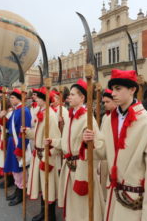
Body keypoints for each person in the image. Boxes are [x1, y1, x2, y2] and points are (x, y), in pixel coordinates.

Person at [84, 70, 147, 221]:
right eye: (113, 89)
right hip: (114, 196)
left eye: (118, 89)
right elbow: (105, 151)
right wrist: (90, 143)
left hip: (136, 200)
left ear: (132, 90)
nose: (113, 93)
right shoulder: (111, 119)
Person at [49, 79, 105, 221]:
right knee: (73, 208)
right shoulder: (71, 116)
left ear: (82, 98)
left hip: (81, 170)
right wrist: (53, 142)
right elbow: (66, 142)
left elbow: (99, 149)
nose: (69, 97)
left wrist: (90, 143)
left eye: (73, 94)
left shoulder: (87, 119)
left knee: (83, 209)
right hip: (69, 168)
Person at [23, 87, 61, 220]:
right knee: (43, 186)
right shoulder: (41, 112)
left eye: (38, 97)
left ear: (44, 100)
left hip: (46, 156)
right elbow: (38, 135)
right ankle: (43, 212)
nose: (35, 99)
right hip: (39, 155)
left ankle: (50, 215)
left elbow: (56, 140)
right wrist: (27, 131)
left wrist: (48, 157)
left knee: (48, 187)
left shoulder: (50, 115)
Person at [0, 88, 32, 206]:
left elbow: (25, 133)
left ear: (18, 99)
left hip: (19, 142)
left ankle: (21, 193)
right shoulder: (15, 110)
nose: (10, 99)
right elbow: (9, 126)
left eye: (12, 97)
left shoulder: (24, 111)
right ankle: (18, 190)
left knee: (20, 171)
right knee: (15, 170)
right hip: (12, 141)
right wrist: (2, 117)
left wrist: (20, 149)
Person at [98, 88, 116, 199]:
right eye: (103, 102)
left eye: (107, 102)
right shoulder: (106, 117)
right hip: (104, 157)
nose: (105, 104)